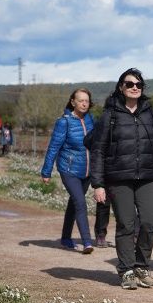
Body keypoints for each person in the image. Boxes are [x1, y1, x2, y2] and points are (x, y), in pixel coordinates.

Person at [90, 68, 153, 290]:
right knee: (126, 224)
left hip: (147, 176)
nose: (134, 87)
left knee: (150, 220)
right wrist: (98, 184)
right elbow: (98, 150)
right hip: (118, 178)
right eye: (129, 84)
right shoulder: (110, 115)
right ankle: (126, 270)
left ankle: (141, 266)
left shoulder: (150, 114)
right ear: (121, 87)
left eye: (138, 84)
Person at [40, 89, 98, 254]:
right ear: (73, 102)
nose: (84, 104)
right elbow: (53, 147)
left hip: (87, 171)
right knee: (80, 203)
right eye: (81, 101)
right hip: (69, 169)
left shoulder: (90, 119)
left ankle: (66, 237)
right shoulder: (64, 122)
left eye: (86, 100)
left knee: (74, 203)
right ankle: (87, 242)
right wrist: (46, 172)